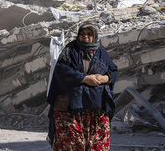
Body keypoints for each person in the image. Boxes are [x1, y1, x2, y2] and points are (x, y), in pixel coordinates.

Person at [46, 22, 118, 150]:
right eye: (82, 34)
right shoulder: (70, 51)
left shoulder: (101, 53)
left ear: (95, 36)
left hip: (96, 107)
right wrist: (84, 79)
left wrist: (105, 78)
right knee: (70, 143)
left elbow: (113, 70)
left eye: (89, 34)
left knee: (97, 144)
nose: (85, 37)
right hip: (70, 108)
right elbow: (61, 71)